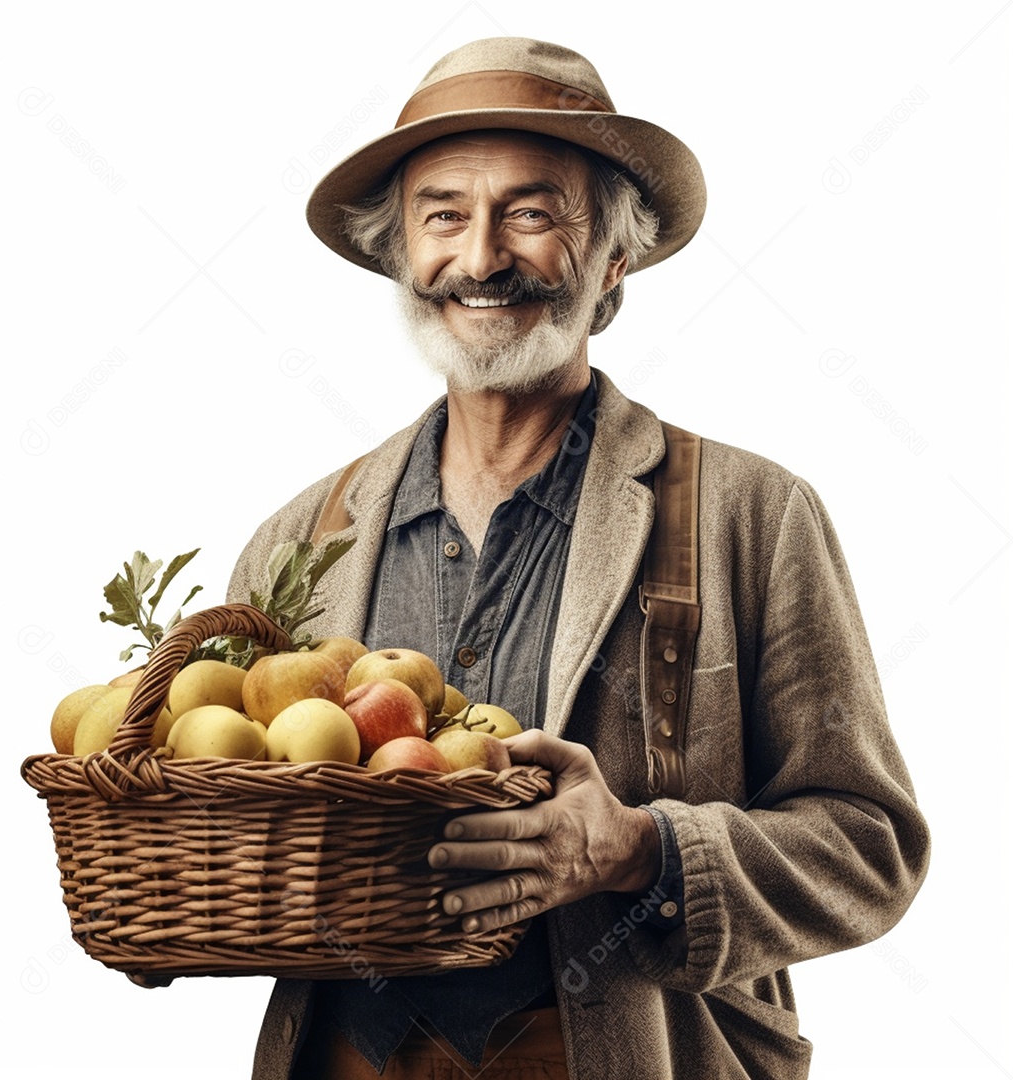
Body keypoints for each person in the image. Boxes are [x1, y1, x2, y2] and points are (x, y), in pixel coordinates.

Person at [228, 37, 930, 1080]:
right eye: (444, 214)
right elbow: (218, 815)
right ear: (399, 255)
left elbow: (871, 848)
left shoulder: (750, 515)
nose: (479, 258)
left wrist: (641, 849)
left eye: (530, 211)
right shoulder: (299, 544)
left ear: (612, 258)